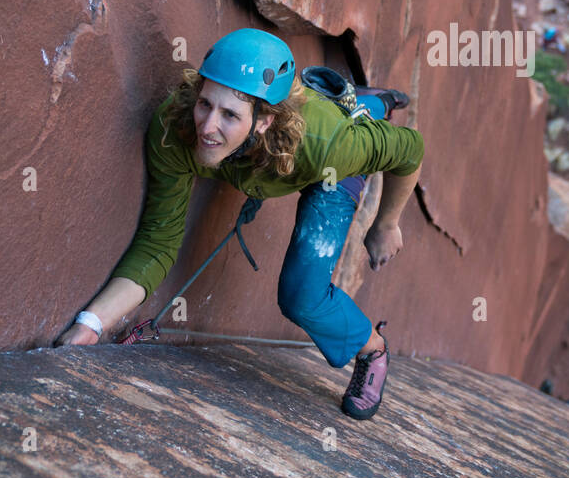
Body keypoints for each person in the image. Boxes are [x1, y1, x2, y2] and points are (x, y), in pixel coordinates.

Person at [54, 29, 424, 421]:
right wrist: (91, 324)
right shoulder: (177, 126)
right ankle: (363, 103)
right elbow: (157, 241)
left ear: (264, 120)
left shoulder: (329, 144)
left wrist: (387, 223)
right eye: (205, 104)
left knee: (302, 297)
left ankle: (373, 349)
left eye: (230, 114)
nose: (207, 126)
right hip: (278, 153)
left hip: (327, 167)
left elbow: (410, 151)